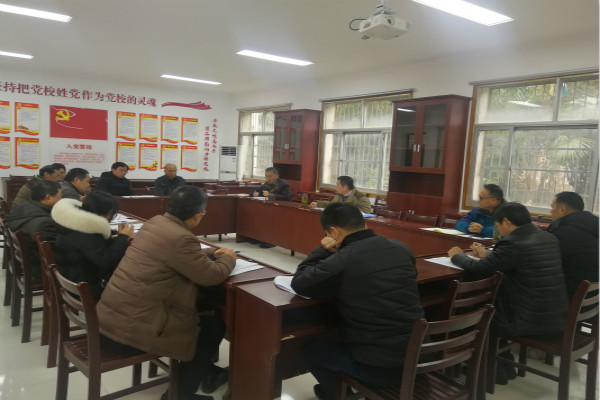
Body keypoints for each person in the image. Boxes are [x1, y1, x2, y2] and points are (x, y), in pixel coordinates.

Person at [96, 186, 237, 400]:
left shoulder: (155, 222)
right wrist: (229, 258)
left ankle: (200, 374)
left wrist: (212, 252)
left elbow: (175, 254)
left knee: (203, 317)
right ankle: (179, 395)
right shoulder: (181, 238)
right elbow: (212, 276)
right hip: (130, 332)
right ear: (198, 215)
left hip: (110, 319)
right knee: (211, 328)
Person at [291, 203, 424, 400]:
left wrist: (322, 250)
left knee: (313, 350)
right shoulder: (402, 248)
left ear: (333, 232)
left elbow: (300, 282)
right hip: (421, 357)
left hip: (381, 368)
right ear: (363, 224)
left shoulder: (344, 258)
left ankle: (336, 395)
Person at [448, 202, 569, 383]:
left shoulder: (512, 243)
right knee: (491, 304)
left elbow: (478, 269)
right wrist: (488, 255)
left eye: (497, 225)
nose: (498, 229)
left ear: (506, 222)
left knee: (479, 310)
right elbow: (518, 261)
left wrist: (457, 255)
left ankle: (490, 369)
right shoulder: (547, 237)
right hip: (554, 314)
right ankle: (503, 366)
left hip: (526, 318)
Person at [51, 191, 133, 299]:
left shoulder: (71, 223)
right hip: (88, 289)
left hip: (72, 280)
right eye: (111, 214)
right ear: (107, 212)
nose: (110, 218)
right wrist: (123, 237)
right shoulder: (87, 232)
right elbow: (107, 261)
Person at [6, 181, 62, 283]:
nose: (62, 200)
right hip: (40, 271)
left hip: (28, 263)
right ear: (48, 198)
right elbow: (56, 255)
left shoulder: (21, 207)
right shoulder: (45, 223)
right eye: (60, 197)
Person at [548, 191, 599, 299]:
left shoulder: (564, 232)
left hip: (571, 296)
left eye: (552, 207)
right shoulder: (592, 226)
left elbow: (545, 260)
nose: (550, 211)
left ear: (562, 209)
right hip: (593, 296)